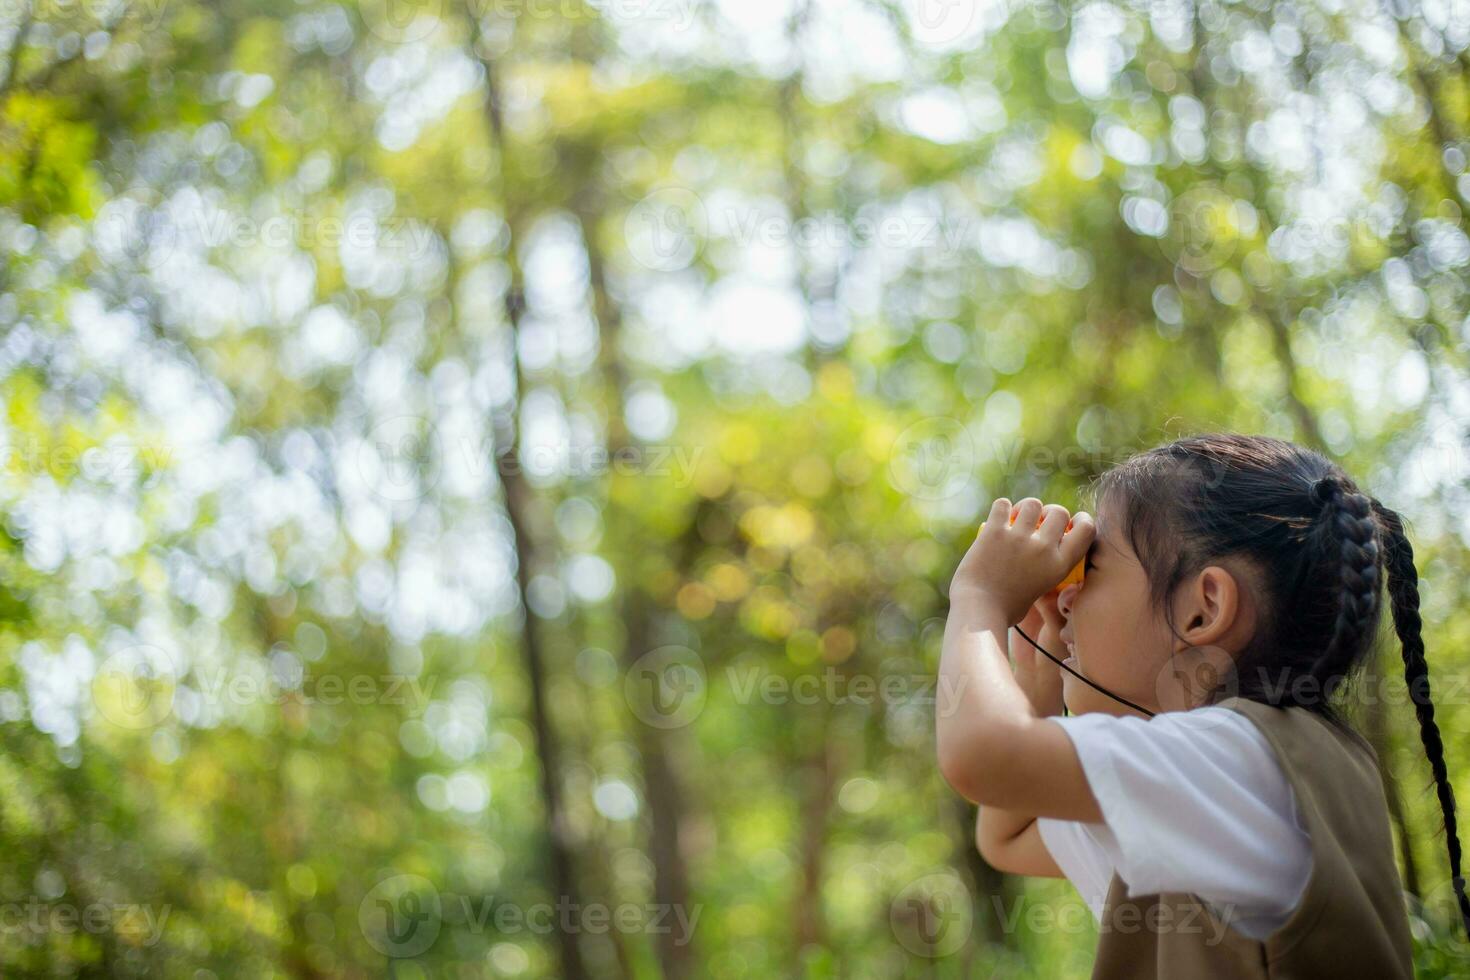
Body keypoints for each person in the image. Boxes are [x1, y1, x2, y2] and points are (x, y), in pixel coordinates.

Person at [936, 432, 1470, 977]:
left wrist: (979, 598)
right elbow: (1009, 835)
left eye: (1090, 568)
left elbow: (983, 757)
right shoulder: (1228, 774)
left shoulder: (1241, 761)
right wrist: (1039, 675)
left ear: (1203, 608)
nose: (1065, 597)